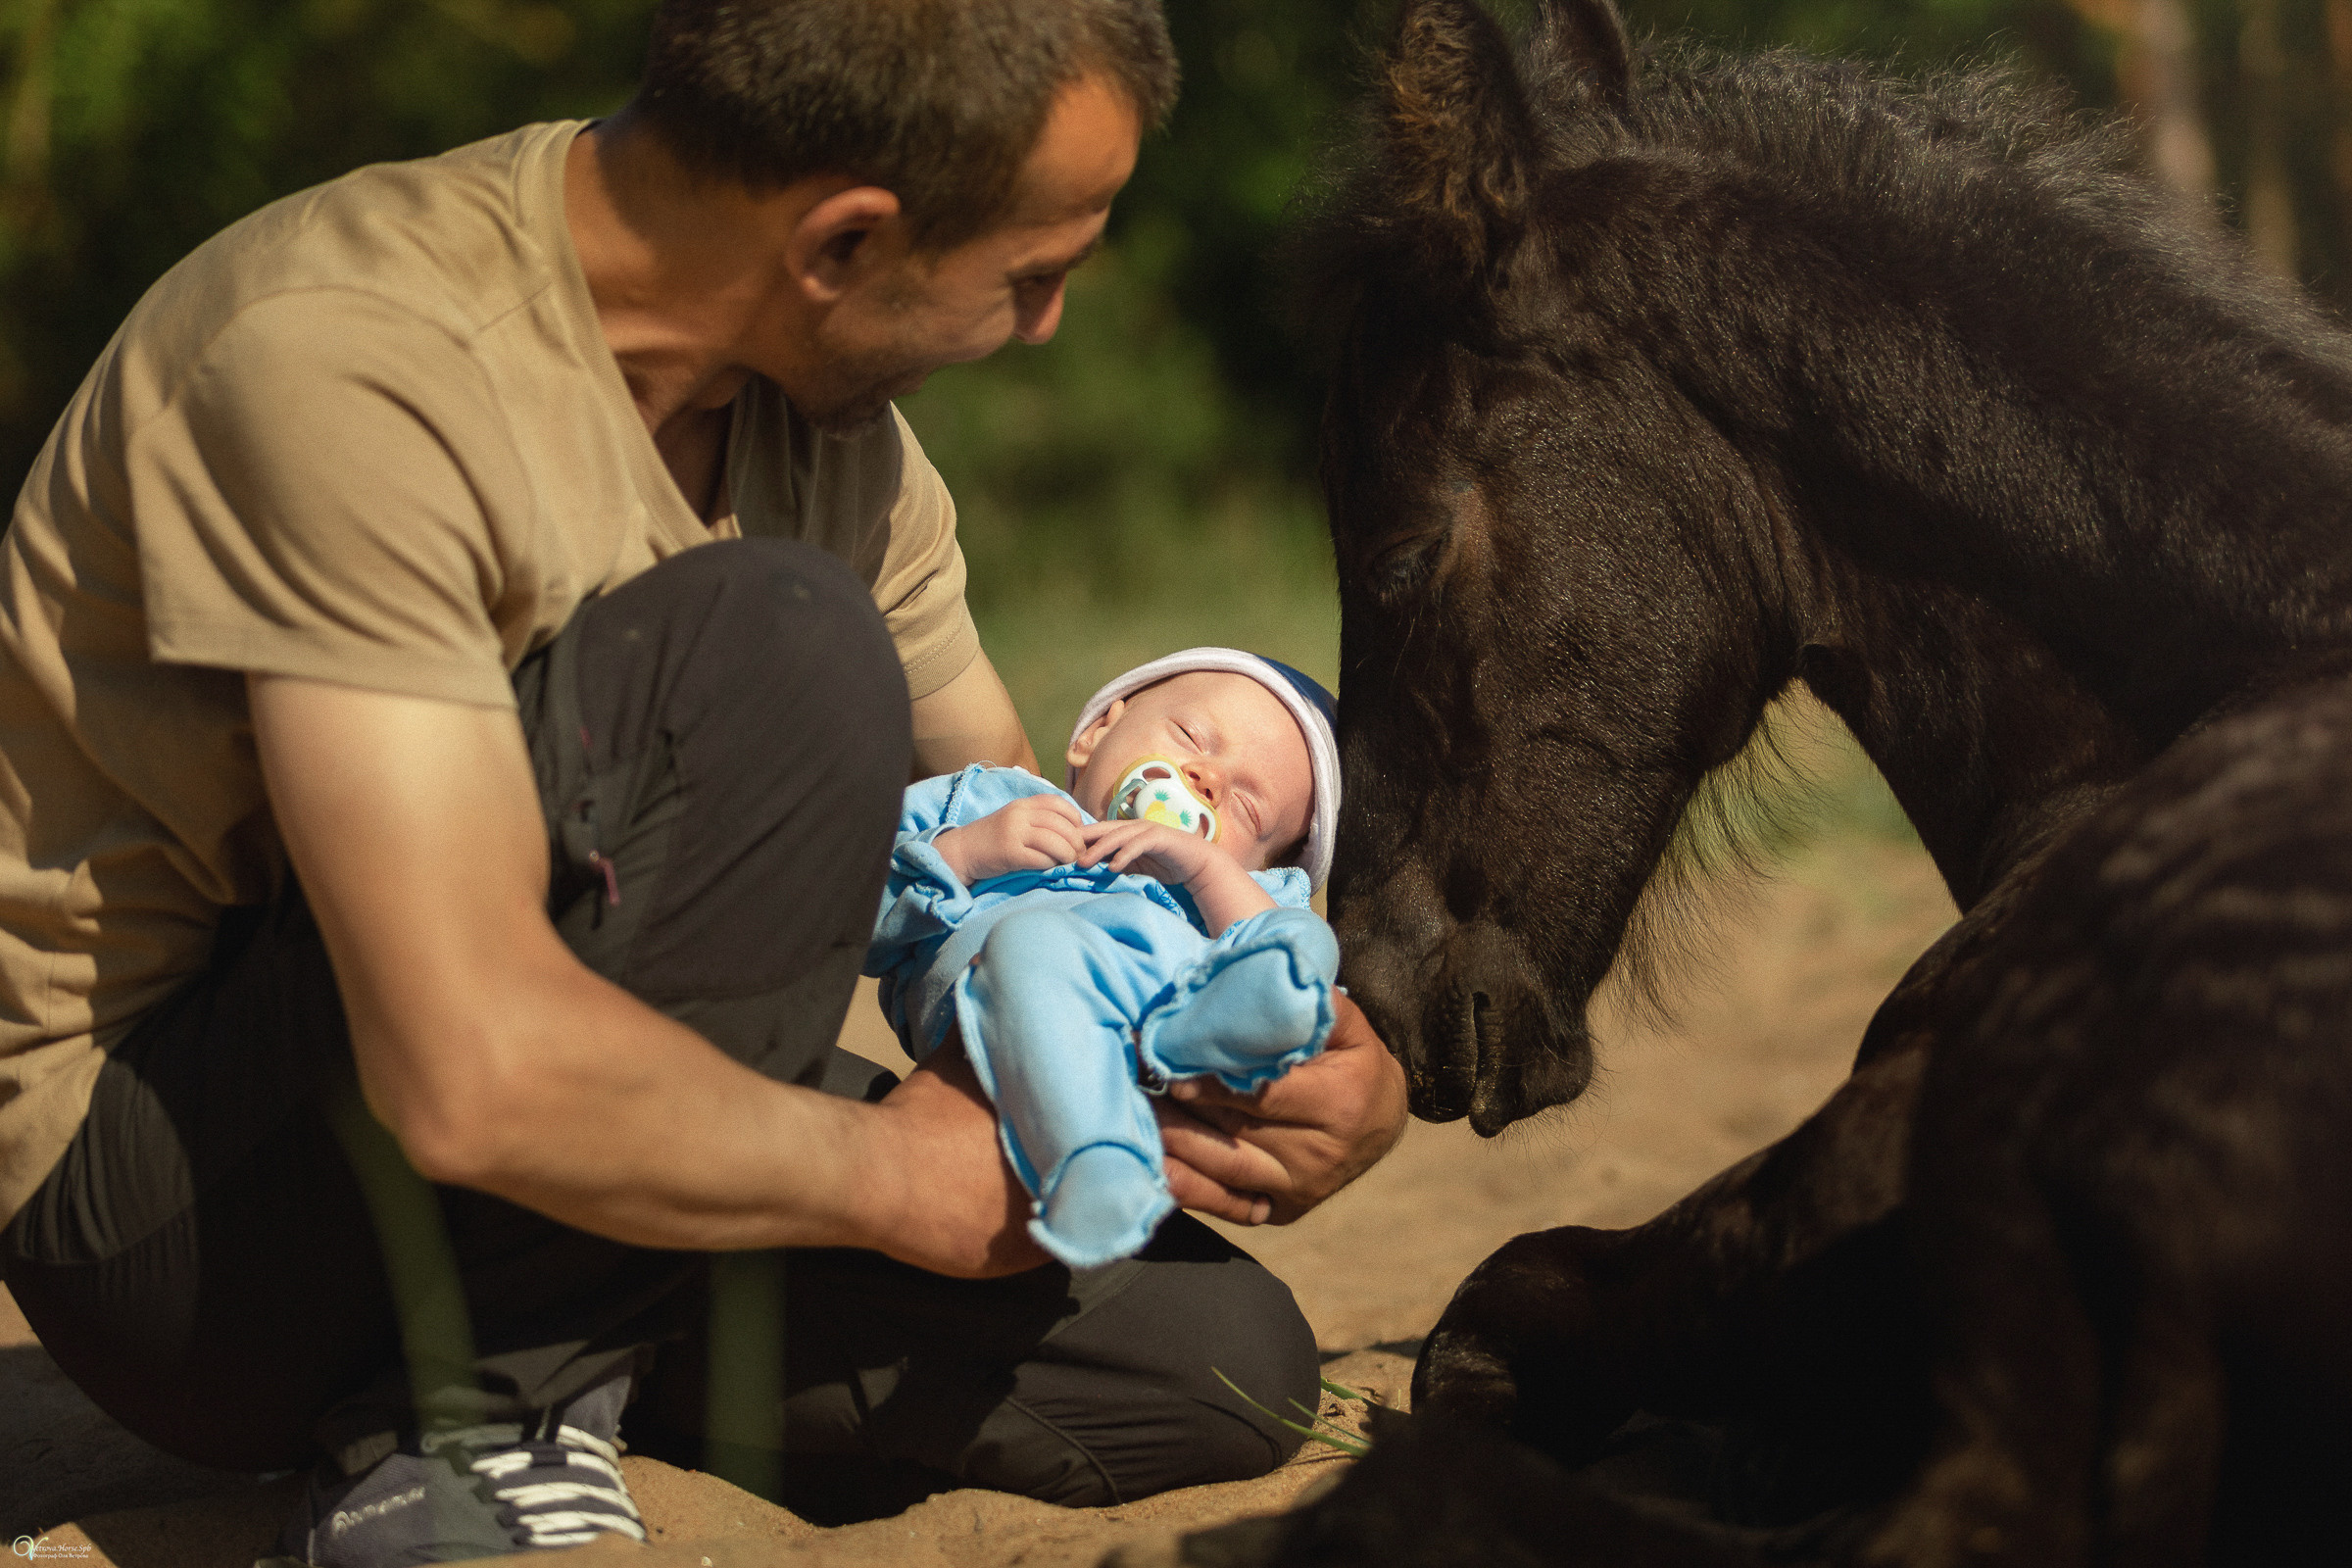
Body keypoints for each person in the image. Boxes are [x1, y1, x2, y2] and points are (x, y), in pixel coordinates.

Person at [0, 2, 1409, 1563]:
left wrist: (1274, 1050)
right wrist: (885, 1182)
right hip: (190, 1208)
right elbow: (457, 1071)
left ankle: (567, 1358)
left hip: (541, 1152)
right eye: (1033, 272)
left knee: (1206, 1370)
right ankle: (468, 1432)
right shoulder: (348, 361)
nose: (1047, 326)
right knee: (788, 647)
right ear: (843, 241)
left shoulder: (827, 434)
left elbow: (1031, 858)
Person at [870, 650, 1344, 1269]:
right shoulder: (988, 801)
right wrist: (965, 852)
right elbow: (844, 919)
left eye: (1248, 809)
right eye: (1190, 737)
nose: (1208, 780)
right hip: (1016, 998)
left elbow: (1278, 937)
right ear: (1096, 734)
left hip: (1162, 1013)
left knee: (1297, 941)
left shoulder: (1222, 891)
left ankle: (1210, 1029)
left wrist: (1205, 870)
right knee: (1033, 944)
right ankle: (1096, 1166)